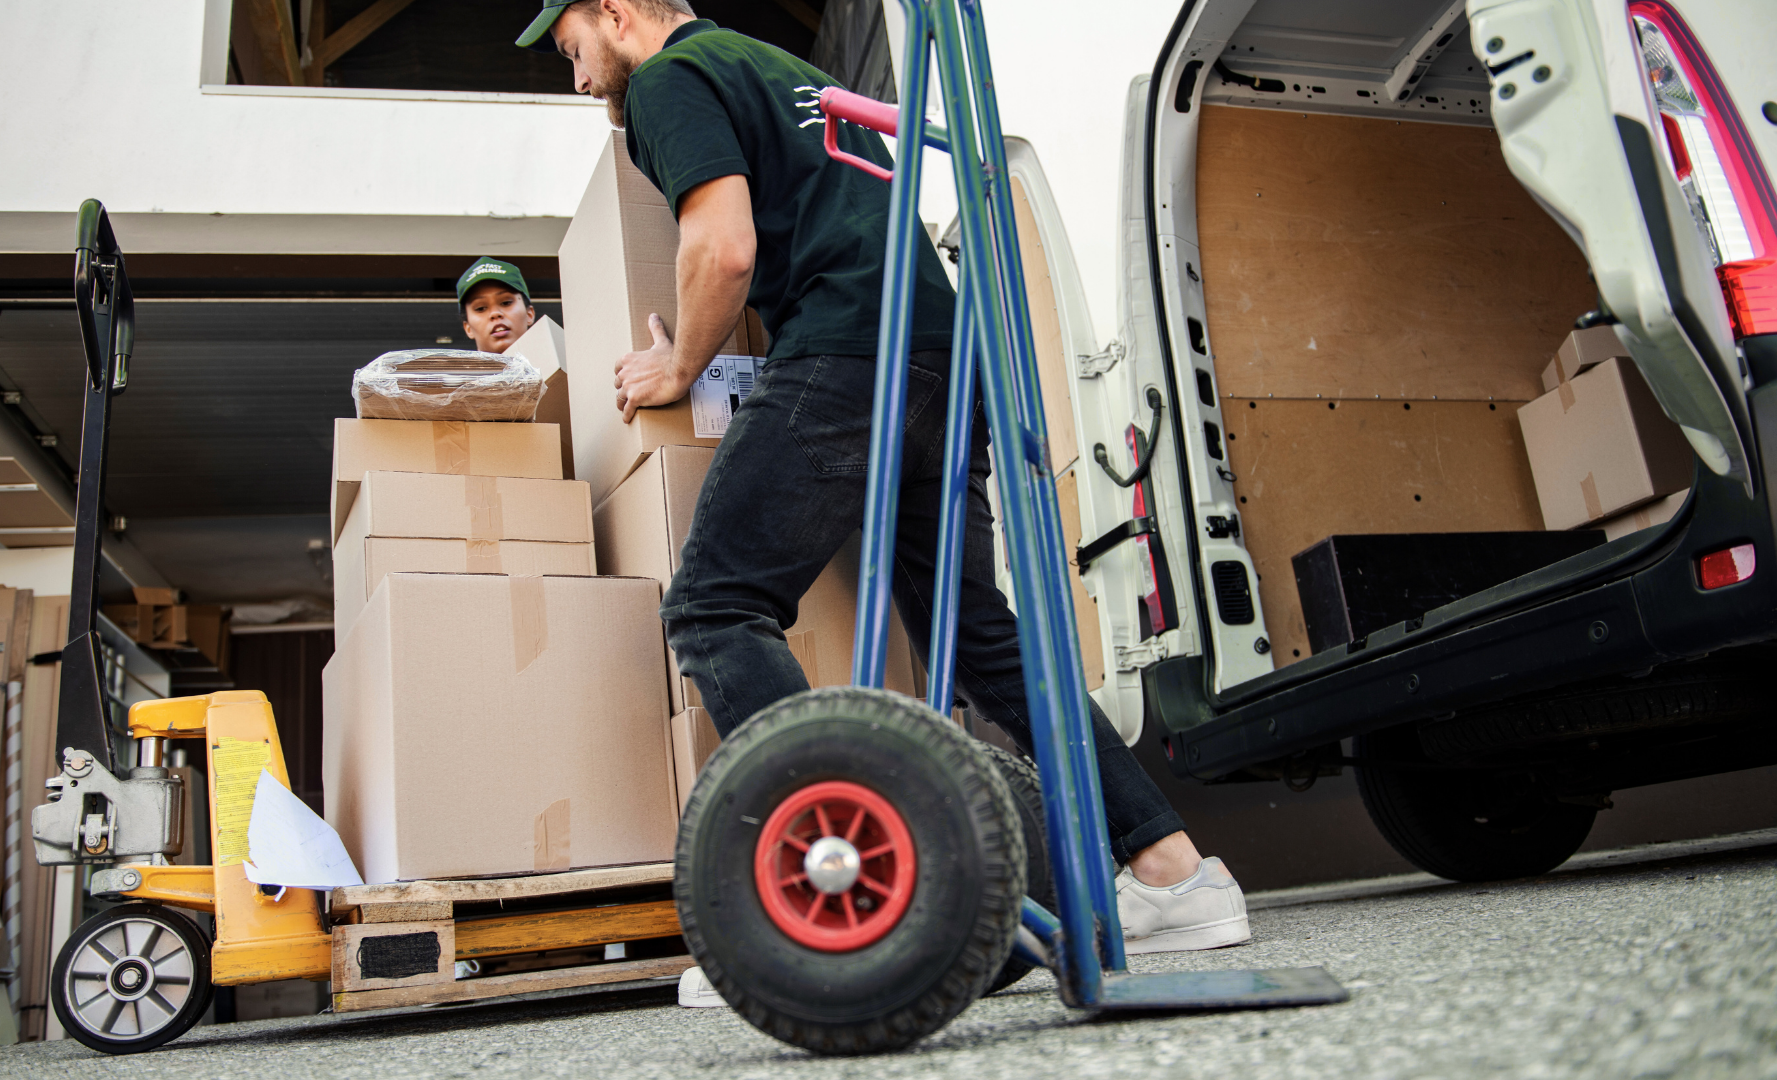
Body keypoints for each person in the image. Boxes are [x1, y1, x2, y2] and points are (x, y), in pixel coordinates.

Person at [517, 0, 1251, 979]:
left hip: (852, 349)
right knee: (983, 642)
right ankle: (1174, 873)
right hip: (944, 357)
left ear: (612, 11)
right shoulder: (780, 69)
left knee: (716, 607)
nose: (576, 80)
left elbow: (722, 246)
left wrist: (677, 364)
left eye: (572, 52)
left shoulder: (671, 78)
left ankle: (884, 897)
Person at [456, 258, 536, 353]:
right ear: (468, 328)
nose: (495, 313)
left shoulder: (557, 363)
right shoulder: (453, 368)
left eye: (506, 303)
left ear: (529, 314)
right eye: (480, 308)